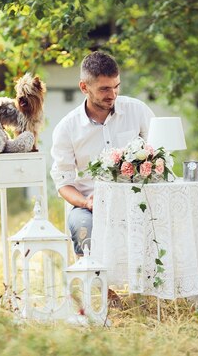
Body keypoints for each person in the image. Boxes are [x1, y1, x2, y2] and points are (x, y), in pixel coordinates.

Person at [50, 51, 154, 255]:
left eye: (116, 86)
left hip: (136, 198)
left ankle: (149, 285)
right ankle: (99, 286)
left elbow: (158, 151)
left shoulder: (138, 110)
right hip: (89, 204)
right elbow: (63, 183)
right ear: (84, 87)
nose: (113, 94)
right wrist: (86, 202)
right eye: (105, 89)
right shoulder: (67, 128)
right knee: (82, 226)